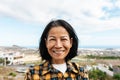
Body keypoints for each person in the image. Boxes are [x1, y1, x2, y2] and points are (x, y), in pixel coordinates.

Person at [24, 19, 89, 80]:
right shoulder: (33, 73)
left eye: (63, 39)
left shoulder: (80, 71)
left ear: (71, 42)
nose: (58, 45)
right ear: (46, 43)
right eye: (52, 39)